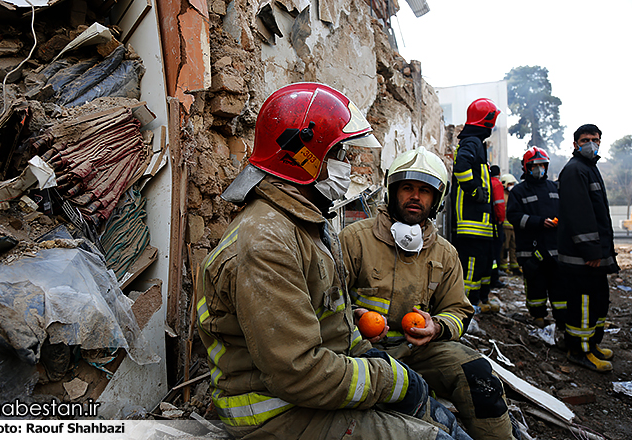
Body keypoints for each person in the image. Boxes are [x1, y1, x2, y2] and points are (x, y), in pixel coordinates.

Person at [196, 83, 470, 440]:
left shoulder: (305, 227)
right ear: (306, 155)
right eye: (340, 153)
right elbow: (298, 373)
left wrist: (377, 361)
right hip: (278, 414)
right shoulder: (267, 243)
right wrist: (391, 380)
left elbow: (335, 330)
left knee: (437, 417)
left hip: (319, 394)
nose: (349, 165)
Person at [340, 147, 517, 440]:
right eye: (407, 187)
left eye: (425, 190)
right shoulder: (355, 239)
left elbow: (459, 310)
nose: (415, 196)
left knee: (478, 374)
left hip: (418, 351)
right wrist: (354, 320)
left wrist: (437, 326)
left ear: (437, 199)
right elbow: (328, 301)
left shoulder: (445, 254)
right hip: (360, 352)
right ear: (392, 190)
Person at [557, 124, 619, 372]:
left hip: (593, 256)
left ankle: (591, 344)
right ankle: (579, 350)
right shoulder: (575, 170)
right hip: (582, 258)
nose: (591, 143)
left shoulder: (588, 168)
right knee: (583, 306)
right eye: (585, 140)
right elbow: (579, 215)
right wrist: (591, 251)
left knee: (598, 302)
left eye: (595, 139)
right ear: (575, 144)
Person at [506, 147, 566, 330]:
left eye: (542, 165)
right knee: (535, 287)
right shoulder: (519, 191)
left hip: (556, 250)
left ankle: (562, 321)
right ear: (527, 167)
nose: (539, 168)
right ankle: (538, 318)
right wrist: (539, 222)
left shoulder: (555, 187)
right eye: (535, 165)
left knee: (560, 288)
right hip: (531, 252)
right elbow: (514, 216)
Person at [451, 98, 501, 311]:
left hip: (480, 224)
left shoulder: (476, 142)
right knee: (470, 266)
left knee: (481, 263)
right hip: (471, 223)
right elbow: (460, 165)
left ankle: (478, 302)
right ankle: (465, 308)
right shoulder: (472, 142)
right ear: (486, 121)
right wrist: (474, 191)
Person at [499, 174, 520, 275]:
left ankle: (514, 265)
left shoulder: (513, 195)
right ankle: (503, 266)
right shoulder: (502, 195)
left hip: (514, 226)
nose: (511, 186)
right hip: (505, 227)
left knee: (514, 247)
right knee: (505, 247)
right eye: (509, 184)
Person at [489, 165, 506, 289]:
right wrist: (501, 219)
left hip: (486, 223)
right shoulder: (497, 184)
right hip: (496, 223)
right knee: (496, 252)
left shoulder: (485, 182)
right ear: (499, 174)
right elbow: (500, 205)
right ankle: (495, 278)